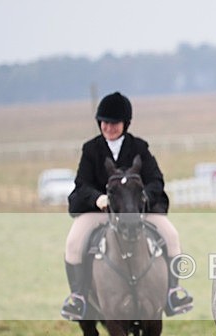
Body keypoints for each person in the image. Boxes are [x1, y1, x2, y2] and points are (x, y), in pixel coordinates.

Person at [61, 91, 193, 320]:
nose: (109, 127)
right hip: (101, 211)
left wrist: (141, 198)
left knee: (171, 236)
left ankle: (173, 292)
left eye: (115, 123)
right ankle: (79, 297)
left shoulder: (139, 147)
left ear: (125, 123)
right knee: (73, 242)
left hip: (137, 211)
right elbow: (81, 184)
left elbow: (156, 180)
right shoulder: (91, 149)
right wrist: (97, 198)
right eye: (105, 122)